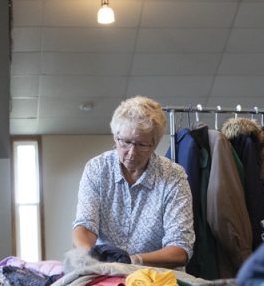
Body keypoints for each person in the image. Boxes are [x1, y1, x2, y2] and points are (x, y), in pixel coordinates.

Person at [72, 96, 194, 270]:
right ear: (115, 137)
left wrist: (132, 261)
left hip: (155, 277)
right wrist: (89, 257)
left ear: (154, 144)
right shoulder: (97, 169)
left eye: (142, 145)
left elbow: (180, 250)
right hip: (105, 272)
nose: (132, 153)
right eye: (126, 142)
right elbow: (85, 225)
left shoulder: (173, 177)